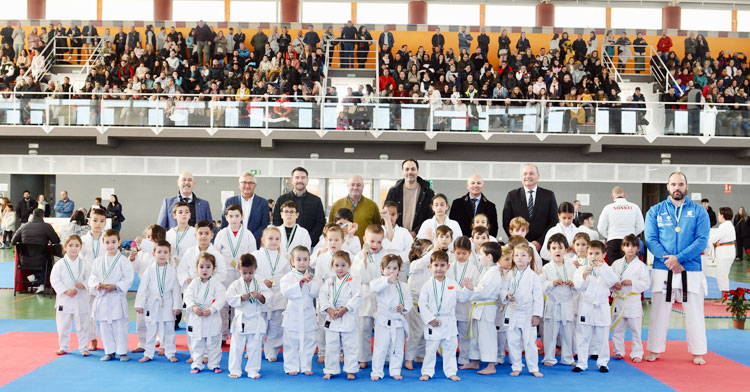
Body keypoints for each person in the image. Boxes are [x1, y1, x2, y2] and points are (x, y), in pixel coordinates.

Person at [644, 172, 710, 365]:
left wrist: (680, 259)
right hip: (663, 267)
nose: (677, 188)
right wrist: (669, 260)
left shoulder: (699, 211)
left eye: (680, 184)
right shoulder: (655, 211)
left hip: (691, 267)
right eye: (673, 184)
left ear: (686, 186)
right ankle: (655, 349)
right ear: (667, 187)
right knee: (659, 310)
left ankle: (697, 351)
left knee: (694, 310)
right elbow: (651, 239)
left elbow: (702, 240)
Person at [418, 250, 472, 381]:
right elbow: (422, 304)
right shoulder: (427, 286)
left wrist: (469, 289)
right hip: (433, 321)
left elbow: (463, 298)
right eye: (436, 265)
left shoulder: (452, 284)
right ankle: (427, 372)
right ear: (430, 267)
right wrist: (430, 319)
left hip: (448, 321)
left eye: (442, 265)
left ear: (448, 266)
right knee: (430, 350)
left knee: (450, 348)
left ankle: (451, 371)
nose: (439, 268)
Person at [214, 204, 258, 342]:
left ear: (242, 217)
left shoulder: (248, 234)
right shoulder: (221, 234)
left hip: (242, 274)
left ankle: (236, 334)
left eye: (237, 216)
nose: (234, 219)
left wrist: (250, 274)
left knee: (238, 303)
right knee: (223, 304)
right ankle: (222, 335)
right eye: (231, 216)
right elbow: (216, 255)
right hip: (225, 273)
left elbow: (252, 255)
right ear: (226, 217)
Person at [572, 240, 617, 372]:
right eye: (591, 253)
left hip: (601, 306)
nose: (594, 256)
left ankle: (603, 362)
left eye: (597, 253)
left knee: (602, 337)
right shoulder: (581, 270)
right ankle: (581, 363)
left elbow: (612, 282)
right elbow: (578, 287)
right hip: (586, 306)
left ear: (604, 254)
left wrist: (602, 268)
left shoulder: (607, 269)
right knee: (583, 336)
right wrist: (584, 276)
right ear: (586, 254)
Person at [89, 229, 134, 362]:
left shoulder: (123, 260)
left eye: (114, 242)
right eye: (107, 242)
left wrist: (116, 286)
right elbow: (92, 277)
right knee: (105, 326)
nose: (110, 245)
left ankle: (122, 351)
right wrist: (97, 285)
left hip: (116, 298)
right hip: (103, 297)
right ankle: (109, 351)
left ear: (119, 242)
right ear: (103, 243)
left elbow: (128, 278)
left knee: (119, 325)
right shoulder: (98, 261)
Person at [133, 240, 182, 363]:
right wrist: (139, 304)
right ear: (153, 253)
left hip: (168, 303)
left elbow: (176, 289)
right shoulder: (149, 270)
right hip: (152, 303)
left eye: (165, 252)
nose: (162, 255)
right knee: (151, 330)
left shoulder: (172, 270)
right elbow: (143, 288)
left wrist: (177, 306)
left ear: (170, 254)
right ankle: (148, 353)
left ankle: (170, 352)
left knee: (169, 330)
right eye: (159, 252)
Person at [226, 253, 273, 379]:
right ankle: (235, 369)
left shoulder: (259, 283)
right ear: (239, 269)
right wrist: (241, 297)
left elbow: (268, 297)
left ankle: (253, 370)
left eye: (250, 273)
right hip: (240, 320)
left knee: (255, 347)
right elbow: (229, 298)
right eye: (244, 273)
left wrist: (259, 296)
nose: (247, 276)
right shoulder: (235, 284)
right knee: (236, 347)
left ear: (255, 269)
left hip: (255, 320)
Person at [352, 224, 392, 369]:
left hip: (382, 294)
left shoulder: (386, 255)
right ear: (364, 239)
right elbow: (358, 276)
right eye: (372, 241)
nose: (375, 245)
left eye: (379, 241)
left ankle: (385, 356)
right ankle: (363, 357)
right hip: (365, 294)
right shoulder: (358, 255)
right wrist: (364, 259)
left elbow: (389, 274)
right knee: (363, 328)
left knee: (384, 328)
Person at [502, 243, 543, 378]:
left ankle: (533, 367)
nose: (519, 258)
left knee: (530, 341)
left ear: (530, 258)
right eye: (517, 255)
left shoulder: (534, 277)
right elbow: (502, 290)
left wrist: (537, 315)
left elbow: (538, 297)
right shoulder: (509, 274)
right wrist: (506, 295)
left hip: (528, 312)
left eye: (523, 255)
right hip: (513, 311)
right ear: (513, 257)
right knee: (513, 340)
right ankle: (516, 366)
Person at [319, 250, 362, 380]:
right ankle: (330, 370)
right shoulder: (329, 281)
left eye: (343, 265)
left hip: (347, 315)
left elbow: (358, 296)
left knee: (350, 345)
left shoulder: (353, 280)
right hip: (332, 316)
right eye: (337, 265)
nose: (340, 268)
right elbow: (322, 296)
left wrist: (346, 308)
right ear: (332, 266)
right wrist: (328, 310)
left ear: (349, 265)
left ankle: (350, 370)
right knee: (331, 345)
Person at [464, 241, 504, 375]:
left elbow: (483, 293)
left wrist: (471, 289)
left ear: (489, 257)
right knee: (476, 337)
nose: (479, 257)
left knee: (487, 337)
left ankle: (491, 365)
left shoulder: (493, 273)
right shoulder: (487, 271)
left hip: (486, 308)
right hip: (478, 308)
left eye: (481, 254)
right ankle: (475, 361)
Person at [280, 245, 321, 375]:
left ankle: (306, 366)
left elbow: (315, 293)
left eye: (305, 259)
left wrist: (308, 282)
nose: (302, 262)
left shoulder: (313, 278)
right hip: (293, 312)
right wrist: (300, 283)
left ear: (309, 261)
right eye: (298, 259)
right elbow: (286, 292)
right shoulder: (287, 278)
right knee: (291, 340)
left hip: (308, 313)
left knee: (309, 340)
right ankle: (291, 366)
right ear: (292, 262)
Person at [369, 254, 411, 381]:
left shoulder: (403, 286)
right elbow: (373, 288)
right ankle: (376, 371)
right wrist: (387, 281)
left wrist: (403, 308)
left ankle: (395, 370)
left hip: (397, 321)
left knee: (397, 348)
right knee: (380, 348)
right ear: (382, 268)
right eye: (388, 268)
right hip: (383, 321)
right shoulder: (378, 282)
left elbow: (409, 302)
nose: (391, 271)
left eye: (394, 268)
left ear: (399, 270)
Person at [610, 234, 650, 363]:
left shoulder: (641, 266)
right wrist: (613, 285)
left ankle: (637, 352)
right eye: (627, 245)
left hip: (633, 300)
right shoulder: (616, 264)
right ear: (622, 247)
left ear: (638, 248)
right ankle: (618, 351)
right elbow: (609, 279)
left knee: (636, 329)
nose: (630, 248)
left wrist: (632, 282)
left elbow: (646, 283)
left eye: (633, 246)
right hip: (619, 300)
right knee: (618, 329)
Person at [50, 235, 92, 357]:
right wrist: (65, 290)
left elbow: (91, 278)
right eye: (70, 245)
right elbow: (54, 280)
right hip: (65, 299)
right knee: (63, 324)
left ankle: (83, 347)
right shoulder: (60, 264)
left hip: (81, 297)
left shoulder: (85, 264)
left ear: (81, 247)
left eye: (77, 245)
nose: (74, 248)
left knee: (83, 324)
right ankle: (63, 346)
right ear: (65, 247)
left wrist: (83, 284)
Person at [184, 252, 226, 374]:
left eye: (208, 267)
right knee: (197, 342)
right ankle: (197, 363)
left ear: (214, 268)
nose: (204, 270)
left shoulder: (217, 283)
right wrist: (193, 307)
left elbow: (221, 299)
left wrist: (212, 309)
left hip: (211, 317)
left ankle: (214, 364)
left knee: (214, 342)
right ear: (196, 268)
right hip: (197, 316)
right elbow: (188, 296)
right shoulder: (194, 283)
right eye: (201, 267)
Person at [502, 164, 559, 251]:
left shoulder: (549, 195)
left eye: (531, 173)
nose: (528, 176)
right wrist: (517, 241)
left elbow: (553, 221)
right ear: (521, 176)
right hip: (517, 247)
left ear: (538, 176)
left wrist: (540, 242)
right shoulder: (512, 195)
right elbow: (506, 221)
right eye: (525, 174)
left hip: (542, 247)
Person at [541, 234, 577, 367]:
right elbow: (541, 285)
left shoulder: (572, 267)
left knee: (567, 332)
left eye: (560, 248)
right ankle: (549, 357)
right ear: (549, 251)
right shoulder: (546, 268)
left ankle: (567, 357)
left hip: (567, 303)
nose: (557, 250)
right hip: (553, 303)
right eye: (554, 248)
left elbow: (578, 286)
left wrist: (573, 284)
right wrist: (551, 283)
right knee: (550, 332)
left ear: (566, 250)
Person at [253, 227, 288, 361]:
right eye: (270, 238)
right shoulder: (255, 256)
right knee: (258, 325)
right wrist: (262, 282)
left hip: (278, 296)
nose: (274, 242)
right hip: (261, 296)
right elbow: (250, 274)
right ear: (263, 240)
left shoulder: (284, 259)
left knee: (276, 325)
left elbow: (287, 277)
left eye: (277, 239)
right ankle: (253, 349)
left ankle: (272, 351)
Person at [272, 167, 326, 247]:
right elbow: (276, 220)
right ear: (292, 180)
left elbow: (320, 223)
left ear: (307, 180)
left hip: (309, 244)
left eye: (303, 178)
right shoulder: (282, 199)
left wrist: (308, 240)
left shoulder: (316, 200)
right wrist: (282, 239)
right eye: (297, 178)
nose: (300, 180)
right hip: (284, 243)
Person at [11, 208, 61, 293]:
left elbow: (13, 242)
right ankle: (37, 278)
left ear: (32, 216)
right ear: (43, 216)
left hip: (24, 260)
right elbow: (56, 241)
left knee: (40, 259)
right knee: (50, 261)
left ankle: (37, 278)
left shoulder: (23, 226)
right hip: (41, 259)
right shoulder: (46, 226)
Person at [385, 159, 435, 237]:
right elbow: (387, 214)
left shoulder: (428, 193)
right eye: (407, 169)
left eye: (413, 169)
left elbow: (431, 217)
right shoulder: (393, 191)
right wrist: (399, 232)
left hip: (420, 237)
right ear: (403, 172)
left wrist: (415, 232)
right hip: (397, 236)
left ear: (417, 171)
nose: (410, 172)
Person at [597, 186, 644, 263]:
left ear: (612, 196)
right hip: (629, 243)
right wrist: (631, 236)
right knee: (630, 268)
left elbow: (600, 228)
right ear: (624, 195)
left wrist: (609, 236)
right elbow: (641, 226)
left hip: (613, 241)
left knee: (613, 269)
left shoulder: (608, 208)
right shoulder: (634, 207)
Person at [221, 173, 269, 245]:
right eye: (244, 182)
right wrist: (234, 238)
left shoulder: (262, 203)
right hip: (233, 243)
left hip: (255, 243)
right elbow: (224, 223)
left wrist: (250, 238)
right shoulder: (230, 201)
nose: (247, 185)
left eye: (250, 183)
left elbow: (264, 224)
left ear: (255, 185)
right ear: (239, 185)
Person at [328, 175, 380, 243]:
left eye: (358, 185)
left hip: (366, 248)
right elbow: (330, 229)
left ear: (363, 186)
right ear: (348, 186)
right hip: (341, 249)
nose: (355, 187)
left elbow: (378, 229)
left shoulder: (372, 206)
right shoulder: (336, 205)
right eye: (352, 184)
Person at [709, 207, 736, 300]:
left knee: (722, 274)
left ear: (723, 215)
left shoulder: (725, 226)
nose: (718, 216)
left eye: (719, 214)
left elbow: (714, 238)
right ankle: (723, 297)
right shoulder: (727, 225)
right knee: (721, 274)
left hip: (725, 253)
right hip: (725, 252)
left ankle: (724, 298)